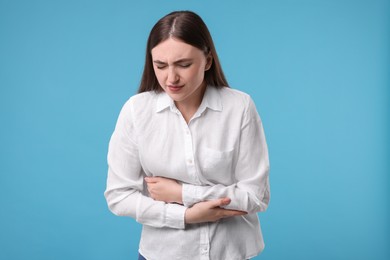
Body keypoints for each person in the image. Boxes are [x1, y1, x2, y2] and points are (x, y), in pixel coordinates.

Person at [104, 10, 270, 260]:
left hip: (230, 253)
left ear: (208, 61)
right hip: (162, 253)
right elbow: (119, 195)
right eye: (160, 66)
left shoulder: (239, 107)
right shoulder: (136, 111)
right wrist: (186, 216)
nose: (171, 78)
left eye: (184, 64)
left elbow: (255, 196)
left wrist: (182, 194)